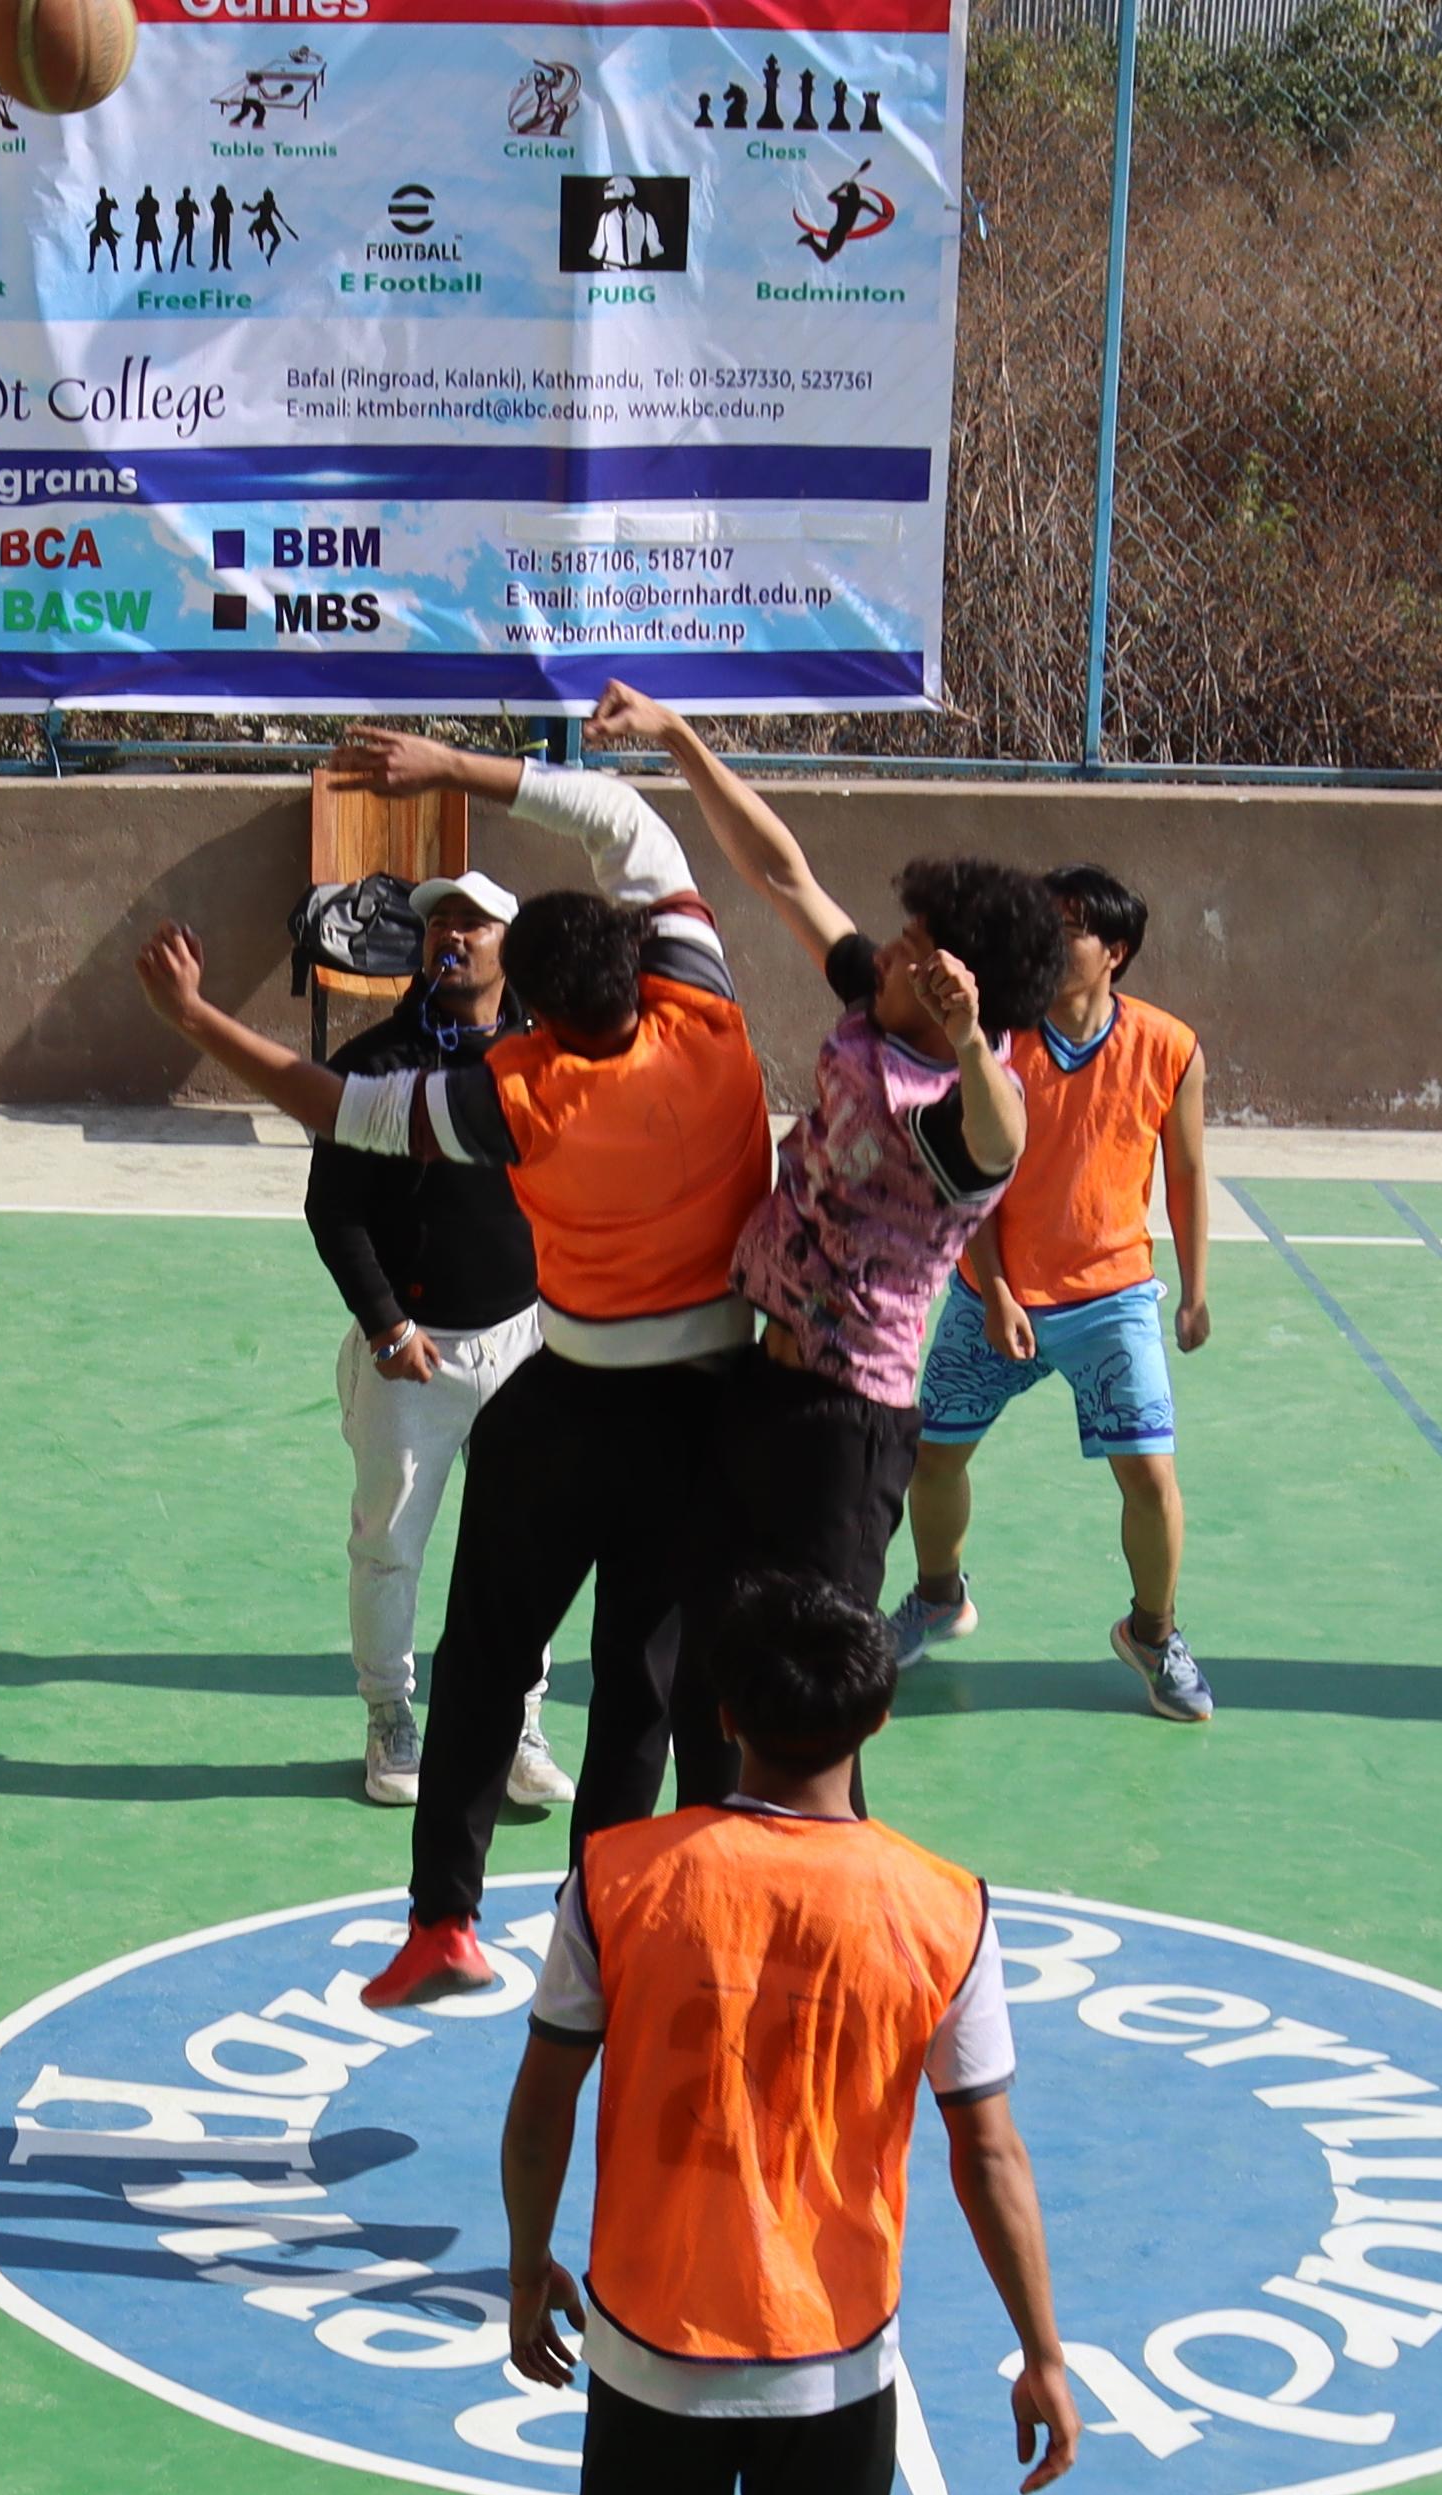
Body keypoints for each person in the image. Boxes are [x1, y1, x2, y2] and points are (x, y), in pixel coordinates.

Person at [495, 1572, 1079, 2495]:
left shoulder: (621, 1874)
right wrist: (1041, 2347)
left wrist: (526, 2265)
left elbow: (544, 2100)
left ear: (724, 1715)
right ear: (875, 1718)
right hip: (837, 2353)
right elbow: (988, 2148)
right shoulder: (943, 1906)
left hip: (655, 2345)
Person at [137, 694, 767, 2013]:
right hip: (711, 1413)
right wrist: (458, 767)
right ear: (645, 964)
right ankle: (608, 1929)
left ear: (537, 1010)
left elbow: (337, 1107)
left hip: (573, 1392)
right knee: (642, 1685)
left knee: (483, 1648)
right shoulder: (708, 1016)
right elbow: (623, 818)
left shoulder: (520, 1097)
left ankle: (444, 1921)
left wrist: (199, 1022)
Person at [611, 700, 1045, 1643]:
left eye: (910, 952)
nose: (883, 952)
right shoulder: (876, 1008)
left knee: (819, 1672)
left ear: (953, 994)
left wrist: (971, 1038)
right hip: (761, 1377)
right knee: (713, 1641)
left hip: (849, 1427)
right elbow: (781, 872)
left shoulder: (954, 1105)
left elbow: (1004, 1138)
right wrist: (677, 738)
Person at [893, 865, 1221, 1724]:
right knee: (933, 1458)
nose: (1049, 941)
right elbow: (976, 1180)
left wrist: (1194, 1290)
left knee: (1150, 1476)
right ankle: (938, 1598)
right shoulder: (996, 1040)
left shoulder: (1171, 1047)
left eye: (1070, 928)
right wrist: (999, 1293)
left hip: (1113, 1300)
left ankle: (1152, 1633)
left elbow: (1186, 1172)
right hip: (992, 1295)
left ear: (1116, 951)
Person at [306, 862, 567, 1821]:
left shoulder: (549, 1055)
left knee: (526, 1548)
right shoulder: (376, 1065)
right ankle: (390, 1717)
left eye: (472, 924)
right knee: (388, 1546)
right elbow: (334, 1210)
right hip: (411, 1356)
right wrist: (388, 1326)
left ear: (509, 945)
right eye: (437, 925)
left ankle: (520, 1725)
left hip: (526, 1344)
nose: (450, 937)